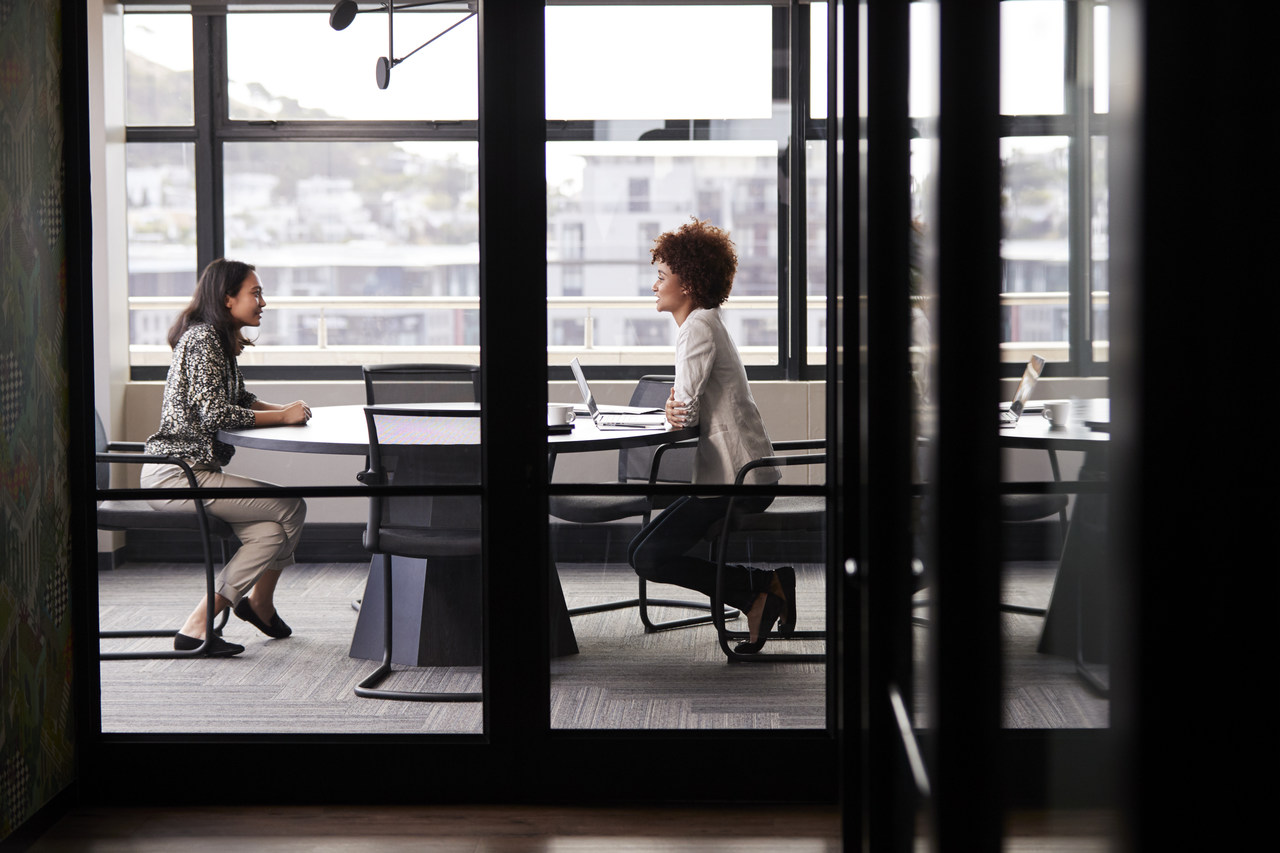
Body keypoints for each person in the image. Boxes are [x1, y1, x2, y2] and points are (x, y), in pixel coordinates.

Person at [627, 218, 794, 654]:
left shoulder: (697, 328)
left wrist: (673, 410)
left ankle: (758, 590)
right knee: (640, 551)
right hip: (734, 476)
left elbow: (684, 416)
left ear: (688, 284)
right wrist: (674, 409)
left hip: (738, 481)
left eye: (662, 276)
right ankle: (758, 589)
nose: (654, 286)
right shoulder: (705, 322)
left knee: (646, 557)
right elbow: (685, 410)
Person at [142, 259, 311, 657]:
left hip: (194, 471)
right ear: (227, 298)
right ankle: (256, 605)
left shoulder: (217, 340)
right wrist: (281, 416)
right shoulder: (202, 340)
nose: (263, 302)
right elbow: (213, 413)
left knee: (269, 533)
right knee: (290, 505)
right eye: (256, 293)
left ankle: (198, 626)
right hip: (176, 475)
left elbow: (239, 400)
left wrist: (282, 409)